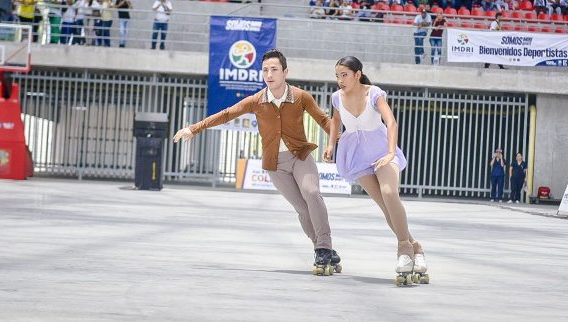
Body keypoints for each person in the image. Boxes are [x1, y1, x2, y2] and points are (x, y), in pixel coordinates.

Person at [173, 49, 342, 275]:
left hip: (300, 156)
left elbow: (324, 121)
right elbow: (227, 114)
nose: (269, 74)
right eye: (265, 70)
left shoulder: (301, 97)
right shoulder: (257, 100)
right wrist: (194, 128)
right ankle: (322, 250)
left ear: (285, 72)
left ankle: (324, 245)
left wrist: (342, 139)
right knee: (302, 209)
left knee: (311, 192)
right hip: (275, 164)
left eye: (274, 70)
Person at [322, 56, 428, 285]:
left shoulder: (374, 93)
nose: (340, 80)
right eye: (337, 76)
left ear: (357, 74)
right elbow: (335, 122)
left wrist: (391, 152)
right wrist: (331, 144)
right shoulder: (336, 98)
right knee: (385, 208)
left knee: (390, 194)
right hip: (358, 157)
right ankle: (415, 247)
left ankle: (404, 251)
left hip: (382, 152)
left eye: (344, 75)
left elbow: (391, 122)